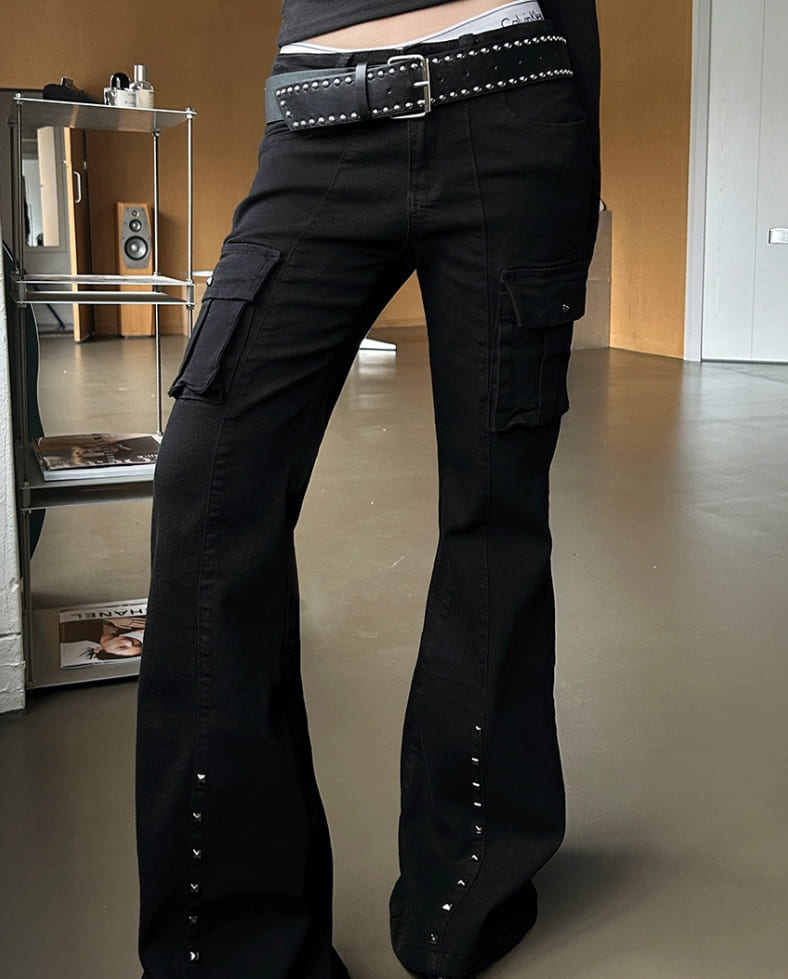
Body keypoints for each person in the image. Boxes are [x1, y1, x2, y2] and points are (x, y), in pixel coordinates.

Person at [135, 2, 601, 977]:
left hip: (510, 94)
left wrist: (573, 149)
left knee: (494, 509)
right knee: (205, 486)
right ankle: (234, 945)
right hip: (314, 115)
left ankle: (468, 885)